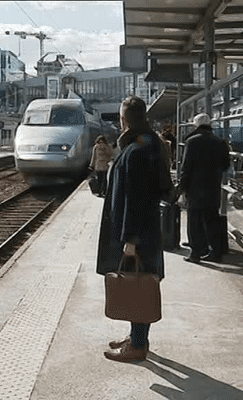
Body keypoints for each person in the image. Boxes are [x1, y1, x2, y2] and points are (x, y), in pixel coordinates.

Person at [97, 96, 167, 362]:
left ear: (125, 118)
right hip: (141, 229)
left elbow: (136, 199)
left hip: (139, 232)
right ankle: (136, 336)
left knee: (139, 284)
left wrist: (131, 238)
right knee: (137, 282)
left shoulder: (138, 150)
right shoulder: (143, 144)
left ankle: (137, 346)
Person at [178, 113, 230, 263]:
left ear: (196, 125)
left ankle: (196, 253)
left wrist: (182, 187)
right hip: (212, 187)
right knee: (212, 220)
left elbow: (186, 167)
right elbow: (225, 165)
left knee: (194, 221)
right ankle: (216, 253)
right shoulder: (220, 142)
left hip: (195, 188)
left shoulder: (191, 141)